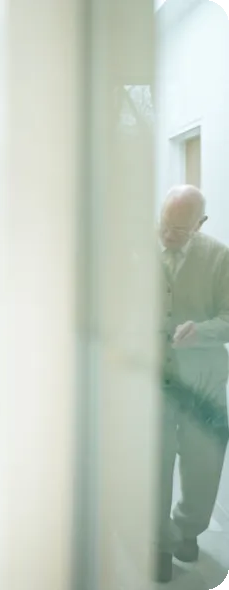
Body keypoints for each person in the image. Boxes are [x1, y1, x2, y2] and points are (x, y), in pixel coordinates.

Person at [154, 185, 229, 583]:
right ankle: (159, 544)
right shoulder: (137, 253)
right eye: (165, 225)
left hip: (205, 382)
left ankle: (187, 529)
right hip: (153, 378)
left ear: (200, 224)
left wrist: (202, 331)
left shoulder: (220, 258)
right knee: (153, 463)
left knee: (204, 466)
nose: (168, 235)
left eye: (180, 230)